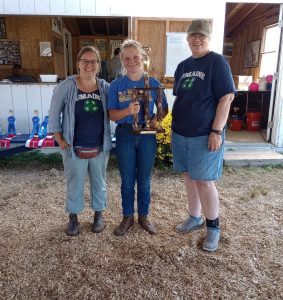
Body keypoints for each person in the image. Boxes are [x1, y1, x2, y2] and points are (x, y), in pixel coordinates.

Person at [171, 19, 236, 251]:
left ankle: (213, 227)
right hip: (180, 132)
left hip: (204, 133)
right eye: (193, 36)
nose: (196, 39)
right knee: (189, 176)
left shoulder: (217, 62)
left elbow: (226, 97)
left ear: (208, 38)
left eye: (201, 36)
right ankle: (195, 217)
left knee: (204, 182)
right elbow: (180, 96)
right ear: (187, 38)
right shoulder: (183, 66)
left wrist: (216, 130)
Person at [107, 39, 168, 236]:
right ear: (122, 60)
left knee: (144, 179)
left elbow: (164, 109)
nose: (132, 61)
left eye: (135, 57)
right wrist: (127, 110)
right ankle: (127, 217)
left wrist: (155, 118)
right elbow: (111, 114)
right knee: (126, 179)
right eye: (127, 58)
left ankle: (143, 216)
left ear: (142, 58)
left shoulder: (154, 83)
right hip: (125, 134)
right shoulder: (116, 85)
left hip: (147, 136)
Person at [49, 46, 112, 236]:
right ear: (78, 64)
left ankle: (98, 215)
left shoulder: (105, 88)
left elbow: (117, 109)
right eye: (85, 60)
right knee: (74, 182)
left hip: (99, 146)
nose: (89, 65)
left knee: (99, 182)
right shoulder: (66, 86)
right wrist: (59, 139)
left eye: (94, 61)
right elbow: (54, 115)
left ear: (99, 66)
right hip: (72, 146)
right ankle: (73, 217)